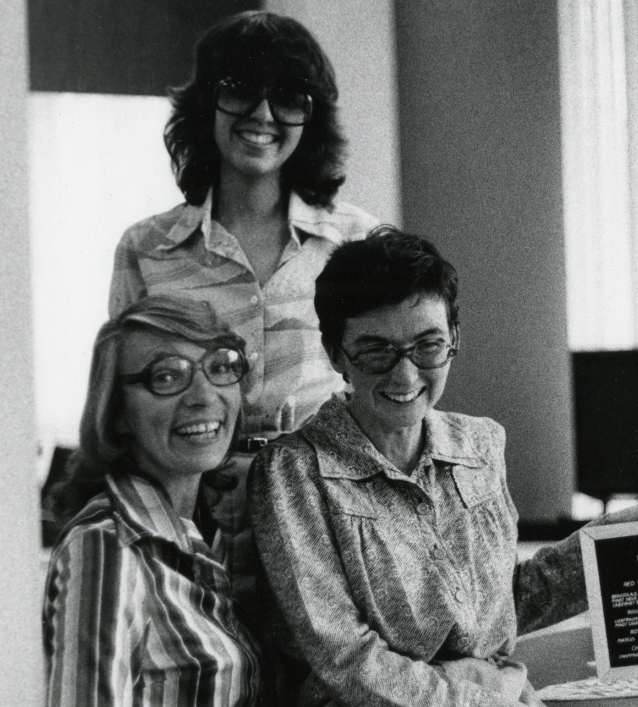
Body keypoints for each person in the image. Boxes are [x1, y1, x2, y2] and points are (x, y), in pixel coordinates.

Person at [250, 227, 638, 706]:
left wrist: (613, 542)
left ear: (454, 339)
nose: (405, 375)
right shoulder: (293, 473)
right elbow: (346, 660)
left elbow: (501, 607)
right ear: (337, 353)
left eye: (428, 346)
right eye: (377, 350)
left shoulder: (480, 443)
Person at [108, 10, 379, 598]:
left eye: (288, 98)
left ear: (313, 118)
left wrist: (279, 476)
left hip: (332, 534)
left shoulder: (361, 244)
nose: (262, 115)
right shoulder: (145, 251)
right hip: (189, 539)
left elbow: (385, 405)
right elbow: (127, 411)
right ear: (206, 105)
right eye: (239, 92)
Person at [42, 295, 261, 706]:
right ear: (118, 412)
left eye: (220, 367)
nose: (203, 395)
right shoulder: (107, 547)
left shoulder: (204, 532)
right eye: (165, 376)